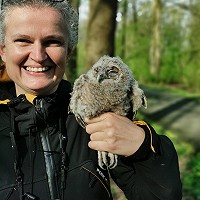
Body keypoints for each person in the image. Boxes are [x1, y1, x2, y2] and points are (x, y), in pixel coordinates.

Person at [0, 0, 182, 200]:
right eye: (23, 41)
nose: (38, 55)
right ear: (3, 50)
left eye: (53, 41)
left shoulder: (97, 116)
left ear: (68, 52)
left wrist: (144, 149)